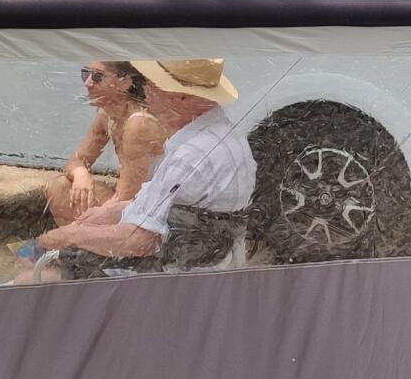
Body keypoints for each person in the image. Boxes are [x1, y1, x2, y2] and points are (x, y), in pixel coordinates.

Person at [32, 56, 254, 273]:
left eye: (152, 85)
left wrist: (71, 236)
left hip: (171, 275)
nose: (145, 91)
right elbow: (159, 208)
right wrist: (110, 212)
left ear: (180, 96)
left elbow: (138, 240)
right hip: (206, 261)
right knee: (61, 193)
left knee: (42, 273)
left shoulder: (189, 155)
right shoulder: (221, 135)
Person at [45, 60, 167, 226]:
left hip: (151, 208)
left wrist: (74, 230)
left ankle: (80, 240)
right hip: (130, 201)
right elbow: (75, 161)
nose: (88, 83)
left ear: (125, 83)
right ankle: (79, 241)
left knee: (70, 225)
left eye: (97, 77)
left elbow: (126, 197)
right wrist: (81, 174)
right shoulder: (107, 114)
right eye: (85, 74)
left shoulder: (139, 124)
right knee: (59, 186)